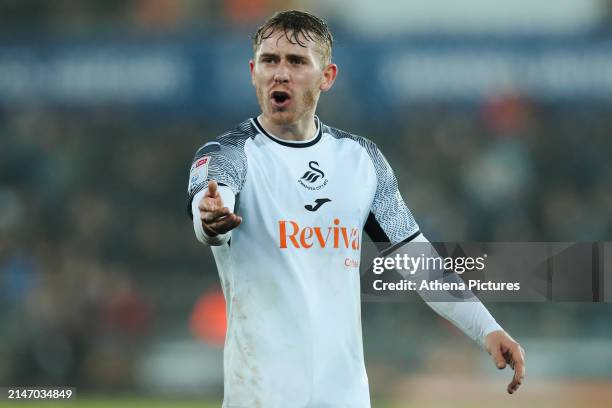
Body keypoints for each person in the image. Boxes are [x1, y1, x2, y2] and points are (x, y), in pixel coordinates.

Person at [187, 10, 525, 407]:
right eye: (269, 60)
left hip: (344, 397)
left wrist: (487, 328)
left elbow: (419, 261)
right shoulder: (229, 154)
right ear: (253, 71)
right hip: (262, 396)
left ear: (327, 76)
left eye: (296, 62)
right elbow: (210, 211)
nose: (280, 73)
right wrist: (211, 218)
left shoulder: (361, 160)